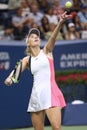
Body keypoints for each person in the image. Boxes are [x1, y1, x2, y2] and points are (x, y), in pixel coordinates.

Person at [4, 11, 69, 130]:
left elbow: (53, 37)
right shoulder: (26, 60)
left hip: (51, 93)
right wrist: (9, 79)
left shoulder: (47, 51)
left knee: (56, 128)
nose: (35, 37)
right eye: (32, 36)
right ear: (28, 43)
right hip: (36, 96)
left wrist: (60, 23)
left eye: (37, 36)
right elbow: (15, 72)